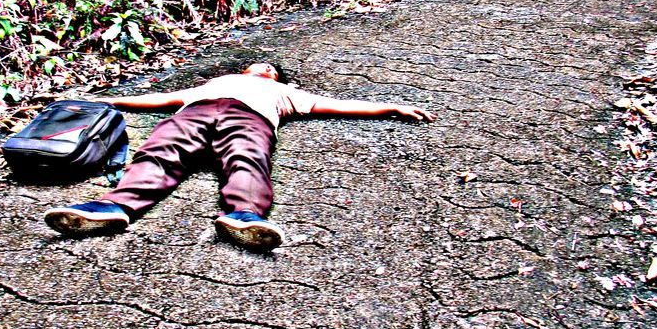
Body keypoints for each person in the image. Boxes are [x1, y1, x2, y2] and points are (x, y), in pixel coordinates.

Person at [44, 61, 434, 251]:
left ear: (276, 78)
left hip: (251, 119)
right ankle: (112, 209)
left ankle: (243, 216)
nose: (262, 67)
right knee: (159, 152)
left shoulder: (286, 93)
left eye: (269, 68)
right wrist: (105, 100)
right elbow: (161, 100)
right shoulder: (213, 82)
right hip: (195, 111)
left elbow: (336, 104)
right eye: (257, 64)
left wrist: (389, 108)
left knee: (247, 159)